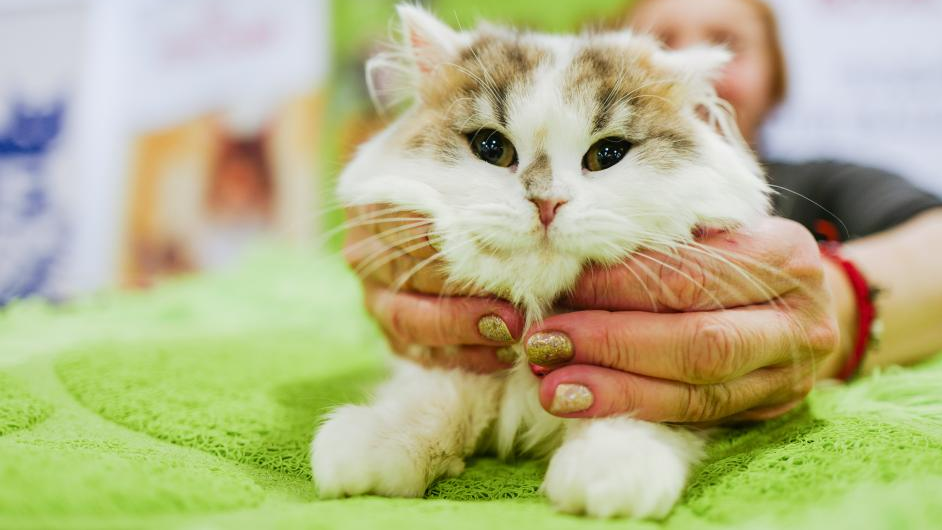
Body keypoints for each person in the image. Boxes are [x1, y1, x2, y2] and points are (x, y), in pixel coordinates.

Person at [342, 0, 942, 424]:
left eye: (726, 43)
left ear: (779, 78)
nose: (687, 59)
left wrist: (836, 301)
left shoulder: (823, 180)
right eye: (661, 39)